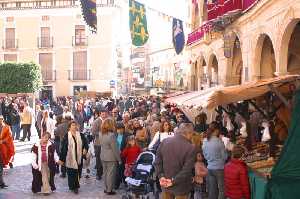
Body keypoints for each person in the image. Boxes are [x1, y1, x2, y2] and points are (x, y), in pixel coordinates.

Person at [155, 123, 196, 199]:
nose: (192, 136)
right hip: (181, 187)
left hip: (166, 184)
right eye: (192, 134)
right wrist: (171, 181)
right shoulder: (191, 147)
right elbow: (186, 170)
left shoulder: (165, 141)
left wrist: (161, 176)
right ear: (189, 133)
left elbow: (157, 161)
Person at [58, 121, 89, 194]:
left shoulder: (81, 135)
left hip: (79, 157)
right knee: (71, 173)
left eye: (75, 125)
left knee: (78, 172)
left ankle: (75, 185)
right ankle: (74, 187)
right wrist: (62, 159)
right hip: (70, 157)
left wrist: (85, 149)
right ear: (69, 127)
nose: (74, 126)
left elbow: (86, 143)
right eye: (72, 125)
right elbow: (64, 148)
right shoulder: (66, 136)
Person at [202, 123, 227, 199]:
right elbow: (225, 157)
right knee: (222, 190)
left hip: (210, 167)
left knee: (212, 190)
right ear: (216, 130)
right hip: (219, 168)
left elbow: (205, 155)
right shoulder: (219, 142)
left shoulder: (205, 141)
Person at [99, 118, 121, 195]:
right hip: (111, 157)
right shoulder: (111, 135)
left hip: (103, 155)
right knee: (110, 174)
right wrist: (119, 159)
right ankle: (109, 189)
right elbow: (115, 149)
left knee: (105, 173)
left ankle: (106, 188)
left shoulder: (100, 133)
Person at [91, 109, 108, 180]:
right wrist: (102, 133)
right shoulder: (96, 121)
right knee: (98, 159)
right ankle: (99, 173)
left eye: (105, 114)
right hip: (98, 143)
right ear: (100, 114)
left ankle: (104, 172)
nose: (104, 115)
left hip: (106, 143)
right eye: (103, 114)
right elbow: (94, 132)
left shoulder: (107, 121)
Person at [54, 113, 72, 178]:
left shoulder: (60, 126)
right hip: (71, 143)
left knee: (63, 158)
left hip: (63, 143)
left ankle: (63, 173)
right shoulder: (72, 125)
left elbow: (55, 133)